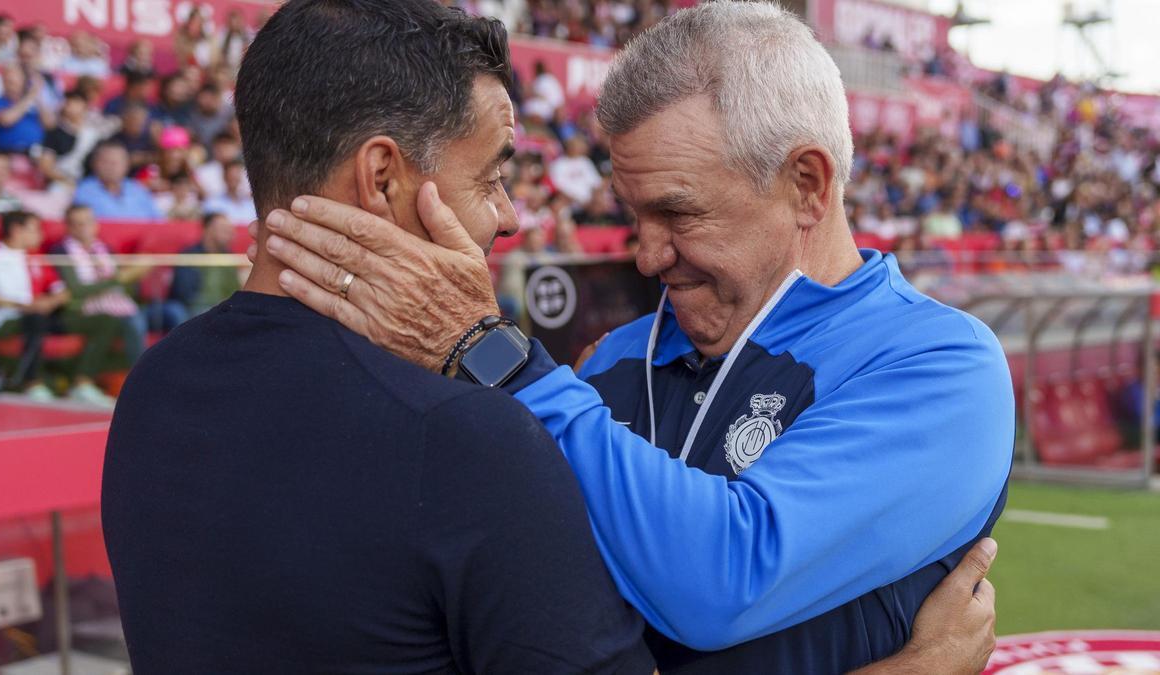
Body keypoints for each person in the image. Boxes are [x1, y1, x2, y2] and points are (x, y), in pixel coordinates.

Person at [103, 2, 996, 673]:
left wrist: (494, 355)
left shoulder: (937, 366)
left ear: (807, 184)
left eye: (677, 212)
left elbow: (725, 576)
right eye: (633, 214)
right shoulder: (593, 372)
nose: (645, 254)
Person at [0, 210, 68, 400]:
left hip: (37, 313)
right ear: (16, 230)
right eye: (35, 229)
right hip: (3, 319)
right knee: (36, 320)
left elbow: (61, 291)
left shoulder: (36, 256)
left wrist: (49, 302)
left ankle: (80, 381)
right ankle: (30, 383)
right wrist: (22, 305)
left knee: (91, 320)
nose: (41, 235)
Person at [52, 204, 149, 365]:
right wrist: (120, 278)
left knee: (169, 312)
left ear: (96, 224)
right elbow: (76, 291)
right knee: (134, 321)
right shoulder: (61, 251)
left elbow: (123, 287)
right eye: (78, 224)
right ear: (68, 228)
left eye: (88, 222)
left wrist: (136, 275)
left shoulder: (105, 248)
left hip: (118, 303)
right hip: (83, 308)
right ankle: (142, 373)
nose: (84, 228)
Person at [166, 211, 241, 321]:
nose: (231, 234)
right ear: (208, 230)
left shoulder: (228, 257)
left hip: (221, 308)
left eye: (230, 230)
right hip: (193, 308)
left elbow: (234, 289)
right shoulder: (190, 255)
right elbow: (184, 293)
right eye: (224, 229)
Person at [73, 140, 163, 221]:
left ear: (127, 164)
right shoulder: (81, 192)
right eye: (106, 162)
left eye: (116, 162)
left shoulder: (138, 190)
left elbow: (158, 222)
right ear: (94, 163)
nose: (111, 167)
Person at [0, 63, 52, 154]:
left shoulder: (33, 102)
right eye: (8, 81)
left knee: (48, 155)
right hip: (8, 151)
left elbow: (49, 124)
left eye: (15, 81)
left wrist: (38, 96)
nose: (11, 84)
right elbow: (6, 120)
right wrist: (30, 96)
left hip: (35, 150)